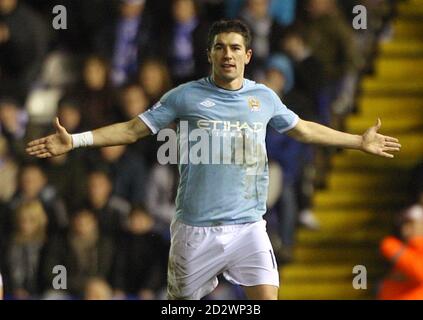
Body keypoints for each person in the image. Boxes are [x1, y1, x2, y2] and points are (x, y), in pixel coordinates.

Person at [26, 20, 401, 300]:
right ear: (210, 55)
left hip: (248, 227)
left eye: (236, 48)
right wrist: (75, 140)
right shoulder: (183, 96)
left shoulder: (264, 98)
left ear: (247, 56)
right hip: (194, 230)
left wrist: (357, 140)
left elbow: (302, 129)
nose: (228, 54)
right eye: (220, 47)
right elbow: (132, 130)